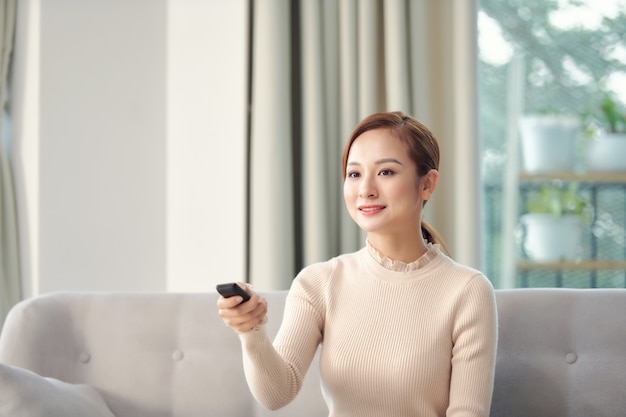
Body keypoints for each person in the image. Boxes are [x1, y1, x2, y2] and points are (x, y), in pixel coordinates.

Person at [217, 111, 498, 417]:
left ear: (427, 184)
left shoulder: (467, 290)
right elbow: (276, 394)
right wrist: (251, 331)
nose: (365, 189)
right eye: (354, 174)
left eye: (386, 172)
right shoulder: (318, 282)